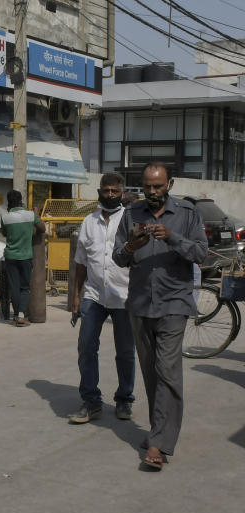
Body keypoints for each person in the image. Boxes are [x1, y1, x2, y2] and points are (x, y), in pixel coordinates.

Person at [112, 162, 207, 469]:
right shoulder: (131, 214)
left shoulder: (188, 214)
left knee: (167, 371)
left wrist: (172, 238)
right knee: (151, 373)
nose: (152, 192)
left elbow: (201, 254)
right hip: (140, 305)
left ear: (170, 184)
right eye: (148, 186)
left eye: (158, 186)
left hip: (173, 303)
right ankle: (158, 430)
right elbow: (118, 258)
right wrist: (131, 245)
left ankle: (159, 445)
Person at [69, 172, 135, 424]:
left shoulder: (130, 220)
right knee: (86, 347)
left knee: (125, 352)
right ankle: (91, 401)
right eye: (106, 191)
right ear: (99, 192)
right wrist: (76, 296)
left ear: (122, 192)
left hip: (124, 295)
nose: (110, 195)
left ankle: (125, 399)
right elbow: (81, 263)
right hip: (94, 295)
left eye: (114, 191)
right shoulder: (89, 222)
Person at [1, 189, 45, 326]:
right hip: (25, 257)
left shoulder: (5, 217)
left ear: (9, 203)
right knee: (25, 287)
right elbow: (42, 228)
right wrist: (33, 224)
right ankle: (21, 316)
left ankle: (15, 315)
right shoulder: (30, 215)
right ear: (21, 201)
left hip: (10, 257)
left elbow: (4, 233)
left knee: (14, 287)